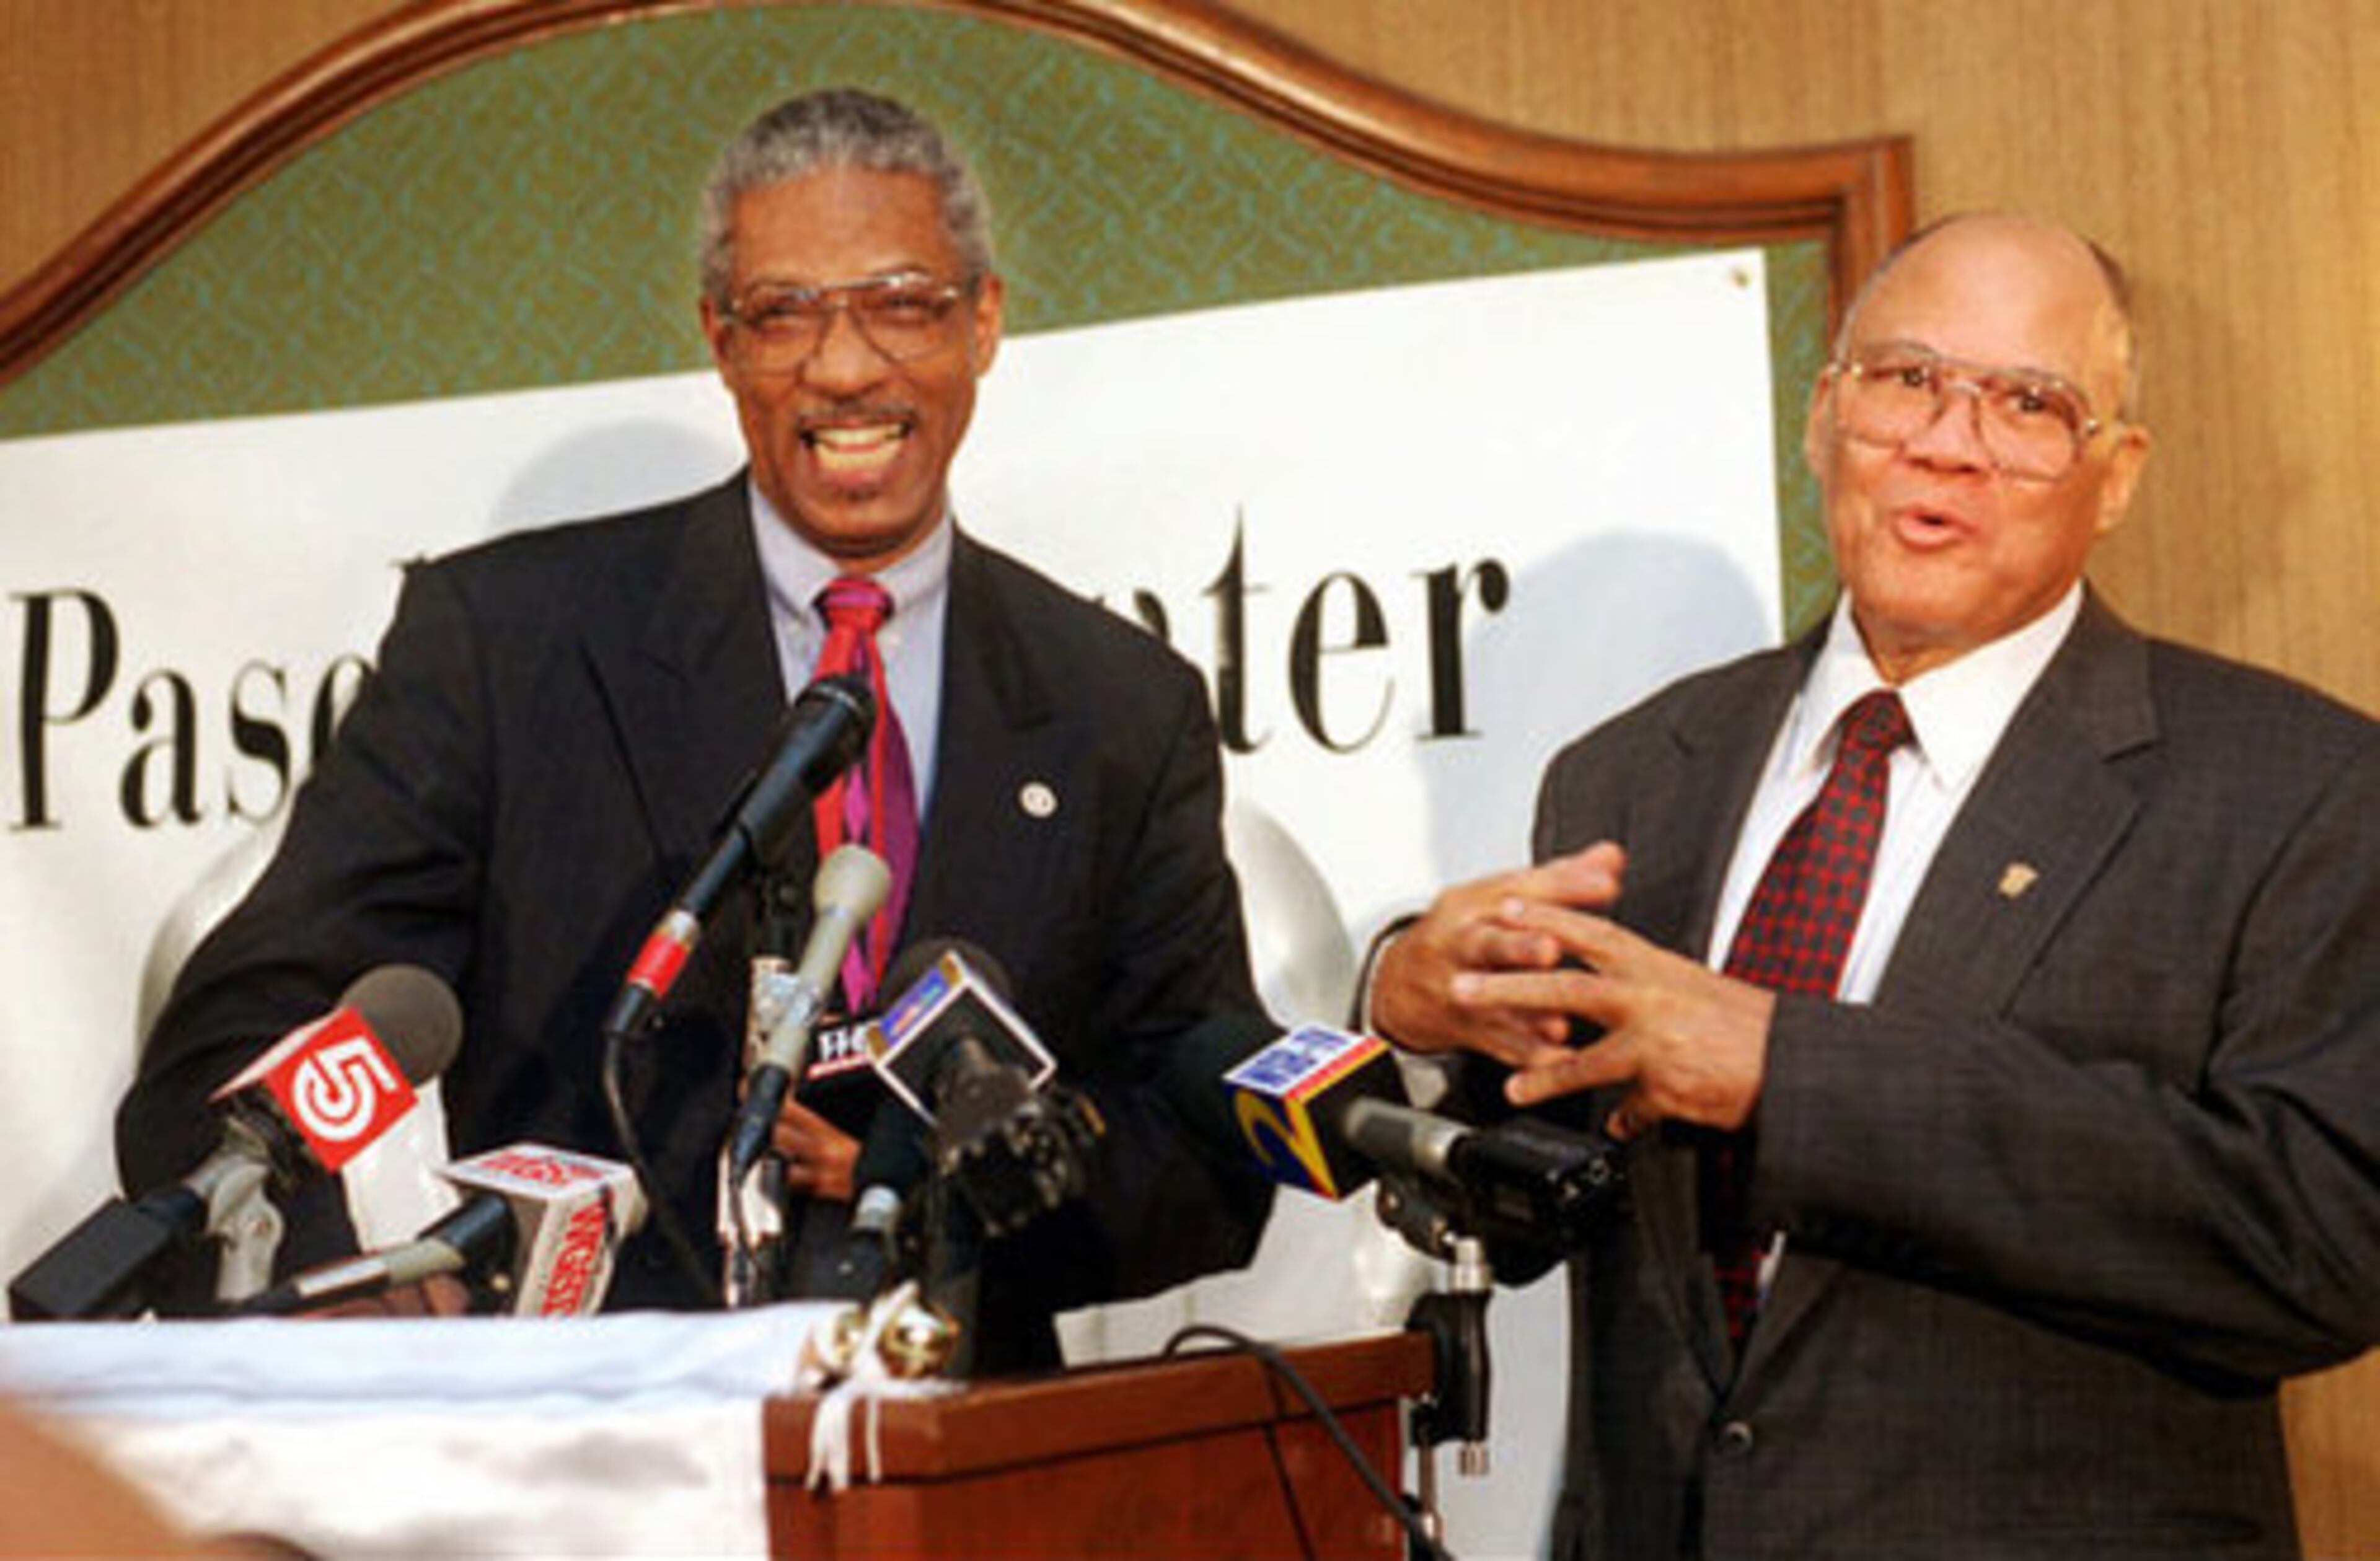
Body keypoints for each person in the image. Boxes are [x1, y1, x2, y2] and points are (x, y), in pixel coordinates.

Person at [118, 87, 1272, 1373]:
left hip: (972, 1456)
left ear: (984, 320)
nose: (843, 368)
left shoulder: (1121, 704)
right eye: (784, 314)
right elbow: (243, 1038)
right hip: (590, 1450)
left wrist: (956, 1195)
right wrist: (333, 1287)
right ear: (719, 339)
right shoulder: (509, 644)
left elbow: (1206, 1144)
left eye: (900, 303)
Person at [1368, 212, 2378, 1557]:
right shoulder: (1627, 776)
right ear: (1825, 415)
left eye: (2029, 403)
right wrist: (1418, 1019)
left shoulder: (2295, 786)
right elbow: (1538, 1188)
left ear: (2116, 472)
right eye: (1906, 380)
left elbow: (2318, 1247)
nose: (1947, 442)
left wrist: (1793, 1073)